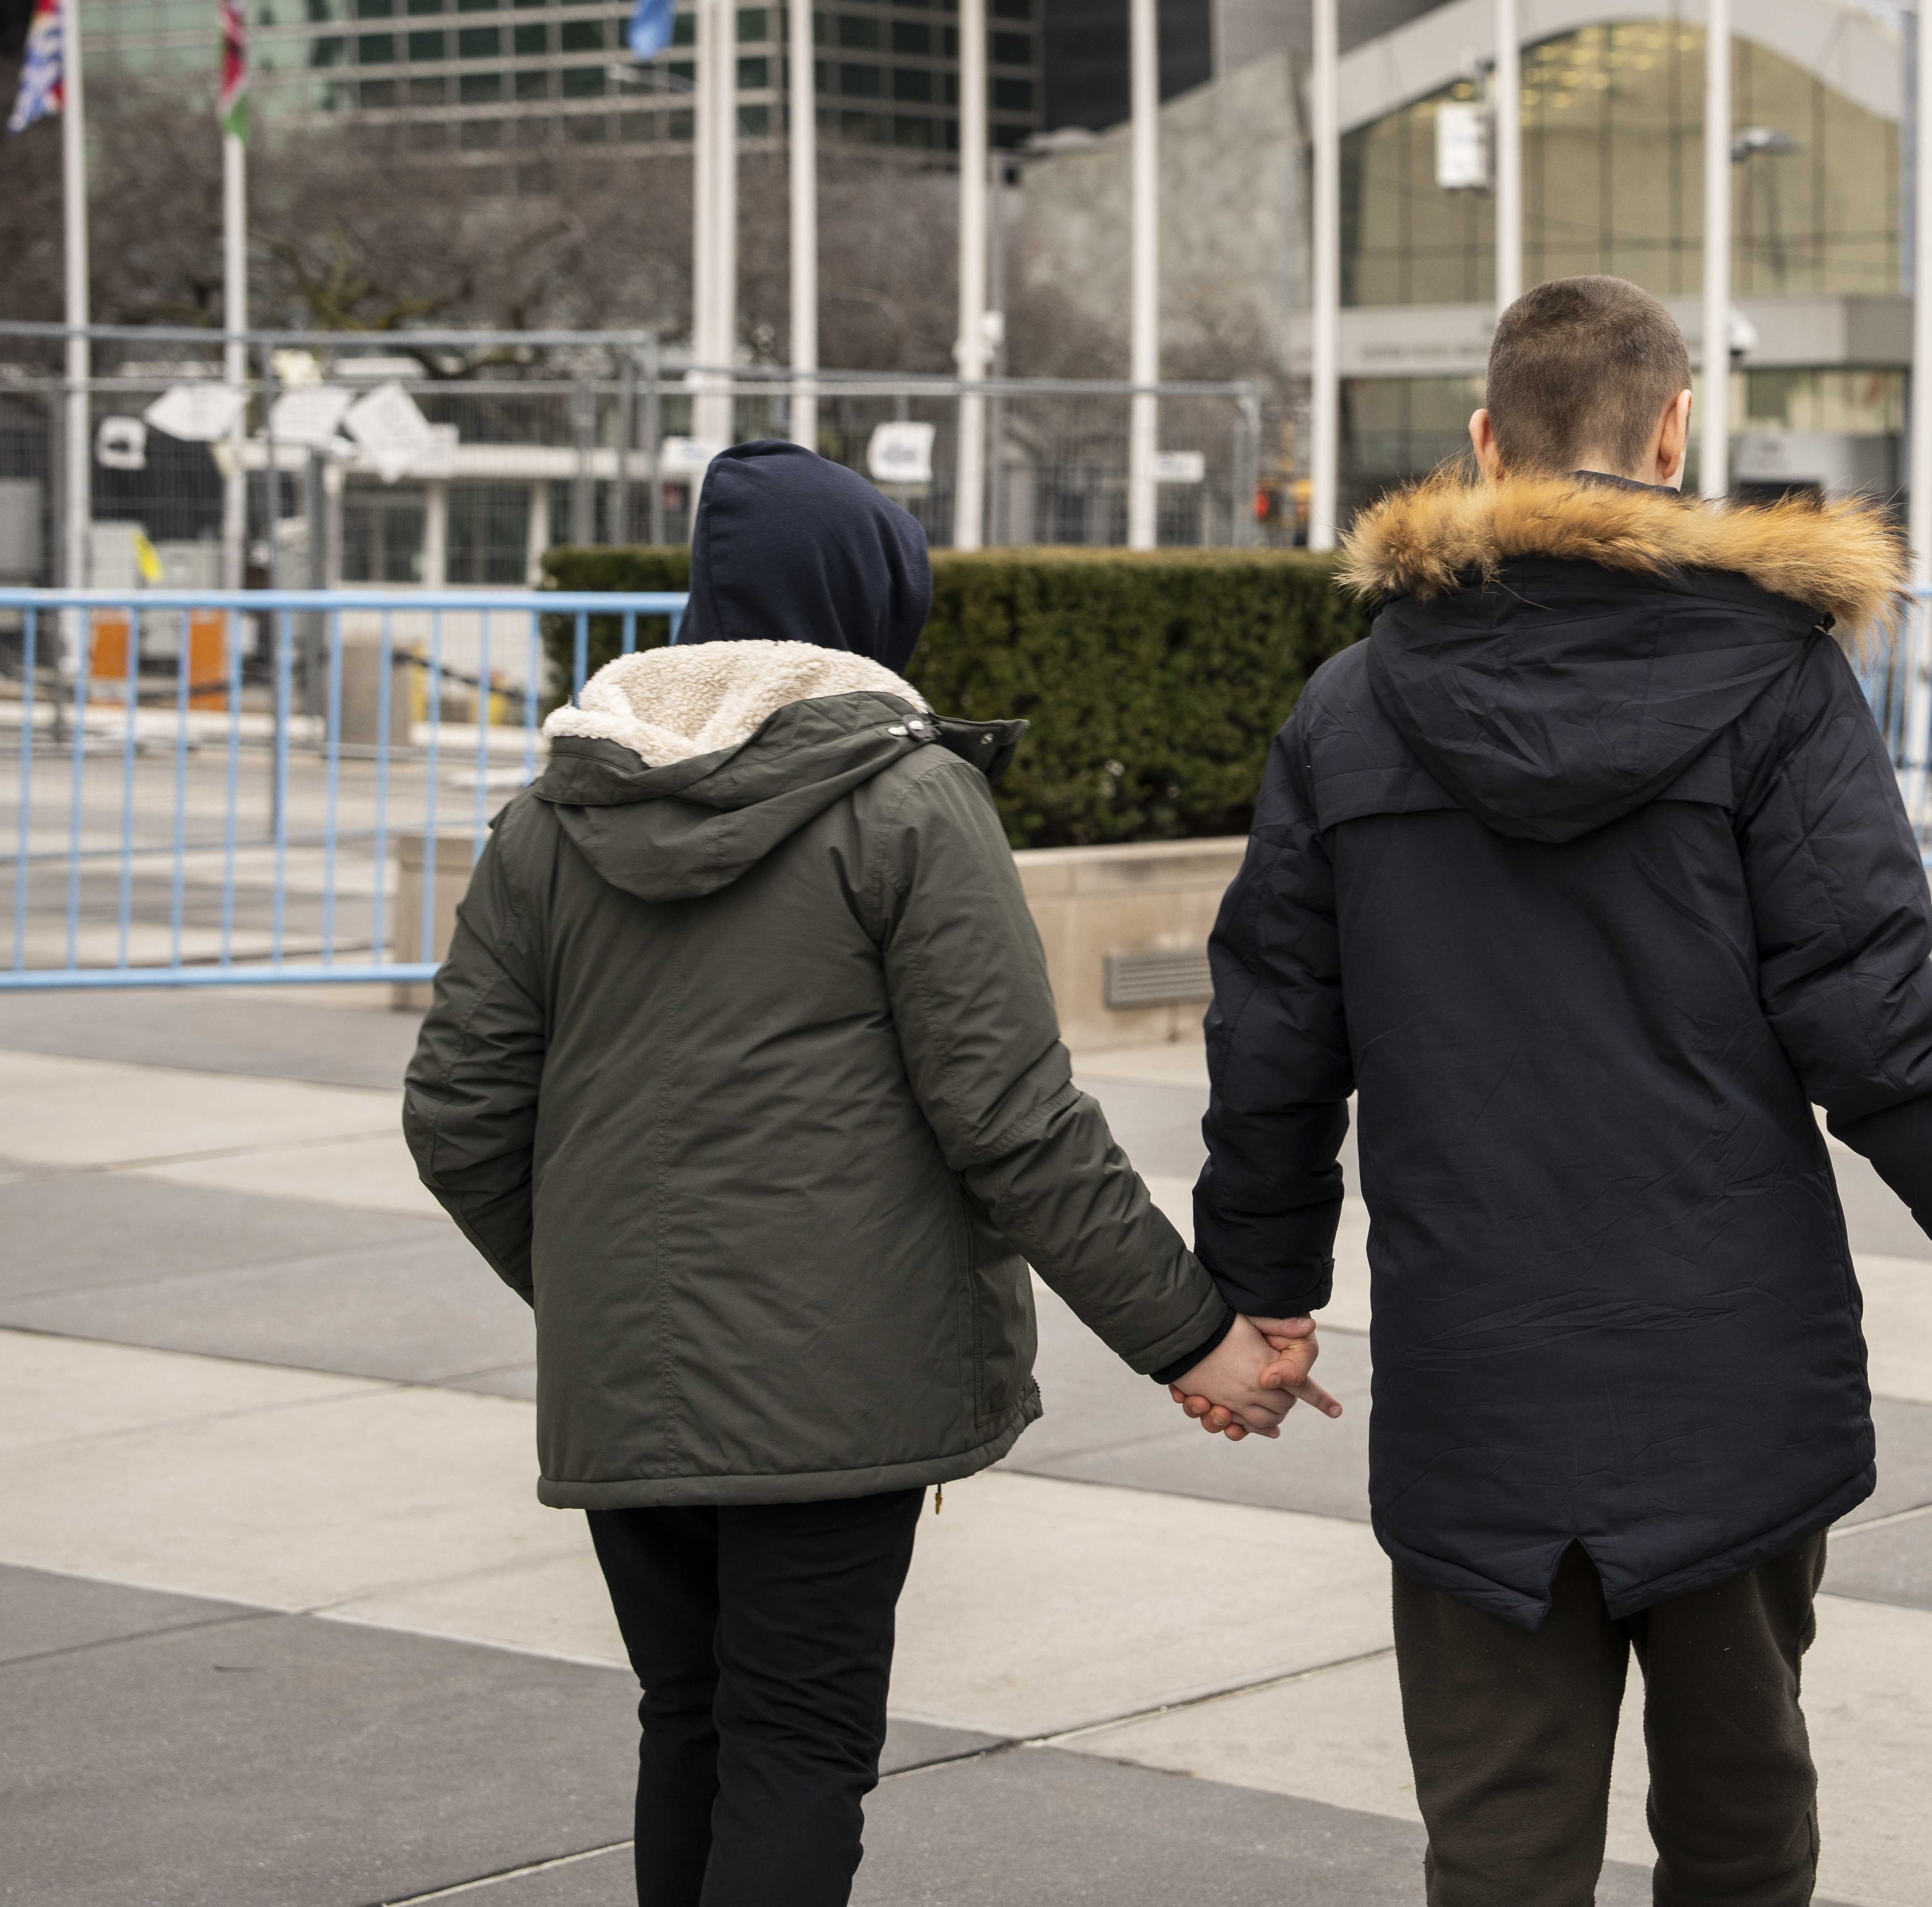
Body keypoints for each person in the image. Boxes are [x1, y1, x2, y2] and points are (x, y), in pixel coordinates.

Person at [1191, 274, 1932, 1907]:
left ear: (1485, 443)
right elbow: (1868, 1013)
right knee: (1740, 1827)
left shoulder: (1350, 709)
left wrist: (1258, 1293)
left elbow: (1272, 1036)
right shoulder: (1777, 681)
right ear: (1675, 433)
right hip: (1731, 1372)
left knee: (1498, 1841)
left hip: (1474, 1375)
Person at [405, 440, 1317, 1907]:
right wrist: (1196, 1337)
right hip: (835, 1392)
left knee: (691, 1720)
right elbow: (1013, 1119)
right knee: (796, 1747)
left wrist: (604, 1293)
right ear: (871, 612)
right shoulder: (907, 803)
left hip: (627, 1381)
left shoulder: (552, 820)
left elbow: (456, 1115)